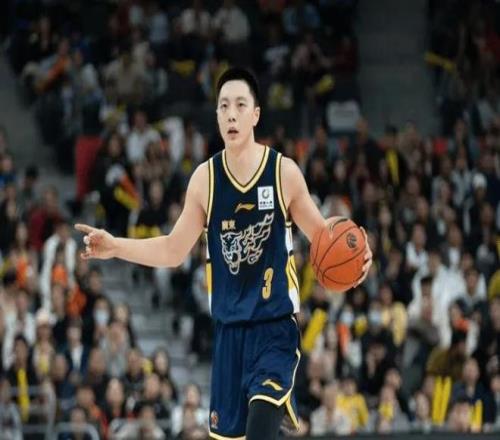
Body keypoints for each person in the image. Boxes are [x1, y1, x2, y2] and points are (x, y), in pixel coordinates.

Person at [75, 67, 373, 440]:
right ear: (216, 116)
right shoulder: (205, 180)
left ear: (256, 114)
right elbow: (172, 250)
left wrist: (357, 257)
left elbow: (323, 236)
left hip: (273, 328)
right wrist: (116, 245)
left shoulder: (283, 173)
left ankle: (275, 403)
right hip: (229, 335)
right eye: (224, 106)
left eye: (240, 105)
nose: (231, 114)